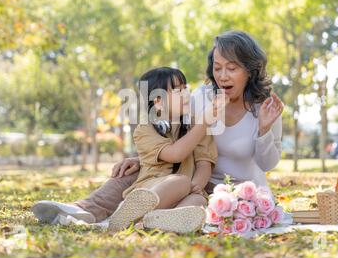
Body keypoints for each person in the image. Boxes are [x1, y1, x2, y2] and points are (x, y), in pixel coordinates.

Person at [32, 30, 283, 229]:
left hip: (227, 191)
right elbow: (174, 132)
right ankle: (82, 210)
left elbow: (268, 163)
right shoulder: (204, 96)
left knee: (183, 190)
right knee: (131, 171)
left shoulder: (266, 106)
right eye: (217, 67)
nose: (222, 76)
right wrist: (144, 156)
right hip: (185, 173)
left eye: (232, 68)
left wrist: (263, 130)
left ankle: (152, 218)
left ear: (250, 70)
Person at [32, 67, 224, 233]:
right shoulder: (146, 129)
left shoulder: (197, 127)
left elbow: (204, 163)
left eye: (185, 88)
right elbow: (175, 154)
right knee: (179, 181)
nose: (186, 94)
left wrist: (196, 186)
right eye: (177, 90)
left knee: (198, 202)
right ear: (158, 101)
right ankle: (130, 213)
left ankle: (156, 221)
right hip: (155, 189)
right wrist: (205, 122)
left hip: (186, 192)